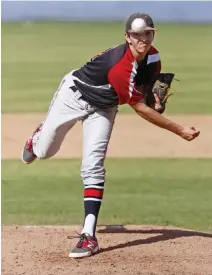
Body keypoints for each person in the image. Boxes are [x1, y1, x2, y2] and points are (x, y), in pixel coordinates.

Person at [21, 13, 200, 258]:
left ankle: (88, 236)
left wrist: (155, 100)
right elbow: (139, 108)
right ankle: (38, 136)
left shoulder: (154, 58)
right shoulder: (120, 66)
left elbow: (144, 92)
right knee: (43, 152)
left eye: (147, 33)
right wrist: (179, 130)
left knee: (93, 166)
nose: (143, 39)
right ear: (127, 37)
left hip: (104, 107)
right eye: (137, 34)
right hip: (73, 96)